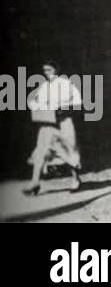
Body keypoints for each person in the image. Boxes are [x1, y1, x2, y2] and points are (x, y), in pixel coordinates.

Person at [24, 61, 83, 195]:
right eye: (45, 70)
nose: (46, 73)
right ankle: (35, 182)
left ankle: (75, 179)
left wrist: (62, 107)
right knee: (41, 151)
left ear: (57, 69)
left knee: (68, 151)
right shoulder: (44, 86)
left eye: (49, 69)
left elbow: (78, 102)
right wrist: (35, 106)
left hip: (64, 122)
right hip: (48, 123)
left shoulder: (66, 84)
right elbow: (35, 102)